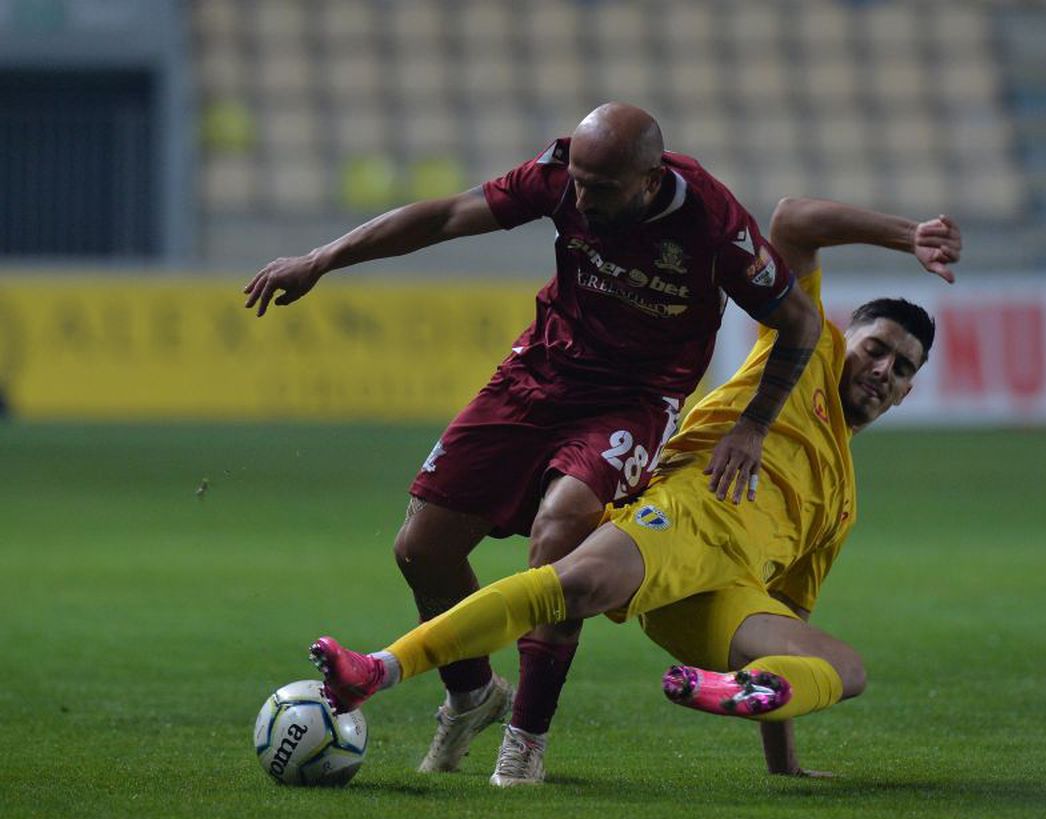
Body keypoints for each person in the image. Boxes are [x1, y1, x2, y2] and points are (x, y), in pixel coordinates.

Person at [244, 103, 822, 784]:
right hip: (539, 372)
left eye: (598, 189)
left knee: (562, 528)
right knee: (421, 549)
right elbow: (444, 216)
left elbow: (800, 322)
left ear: (647, 180)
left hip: (635, 399)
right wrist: (323, 258)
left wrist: (753, 425)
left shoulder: (714, 224)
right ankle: (472, 694)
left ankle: (527, 739)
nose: (578, 198)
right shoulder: (560, 173)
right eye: (576, 181)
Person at [307, 197, 962, 780]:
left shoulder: (842, 502)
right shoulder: (808, 351)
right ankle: (380, 670)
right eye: (876, 348)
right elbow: (794, 220)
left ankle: (729, 689)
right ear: (848, 339)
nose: (883, 370)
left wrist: (783, 763)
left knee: (845, 669)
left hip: (724, 598)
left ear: (907, 394)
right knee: (574, 585)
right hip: (689, 516)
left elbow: (790, 614)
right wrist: (908, 236)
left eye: (902, 369)